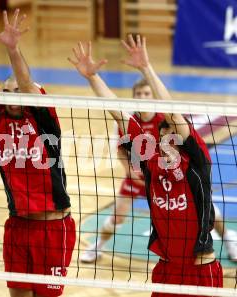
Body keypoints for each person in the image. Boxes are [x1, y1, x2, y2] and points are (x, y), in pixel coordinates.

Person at [68, 41, 237, 263]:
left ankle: (229, 239)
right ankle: (97, 246)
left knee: (209, 211)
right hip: (150, 183)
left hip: (195, 241)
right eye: (139, 94)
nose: (143, 97)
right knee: (118, 214)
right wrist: (92, 77)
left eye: (147, 93)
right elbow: (117, 114)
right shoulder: (149, 154)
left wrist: (146, 67)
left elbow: (174, 115)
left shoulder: (193, 157)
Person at [0, 1, 76, 296]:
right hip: (18, 225)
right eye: (6, 91)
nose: (11, 95)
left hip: (53, 227)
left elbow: (26, 82)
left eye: (17, 90)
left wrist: (12, 48)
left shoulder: (43, 118)